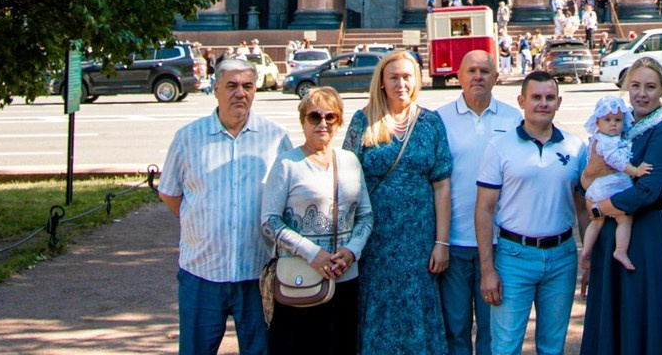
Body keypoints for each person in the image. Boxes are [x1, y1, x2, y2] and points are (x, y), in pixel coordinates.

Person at [158, 57, 292, 355]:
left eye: (247, 86)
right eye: (231, 86)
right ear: (215, 88)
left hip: (256, 274)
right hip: (201, 273)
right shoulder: (188, 137)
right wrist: (200, 221)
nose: (240, 93)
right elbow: (169, 192)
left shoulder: (275, 138)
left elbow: (287, 199)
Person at [344, 49, 453, 355]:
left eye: (407, 77)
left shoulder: (431, 123)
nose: (400, 84)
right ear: (381, 82)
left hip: (418, 240)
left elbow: (442, 185)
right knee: (376, 307)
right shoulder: (363, 120)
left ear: (416, 81)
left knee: (417, 306)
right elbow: (346, 178)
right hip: (374, 239)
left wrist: (441, 243)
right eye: (393, 77)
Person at [475, 71, 587, 355]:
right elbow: (485, 209)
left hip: (562, 256)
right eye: (536, 97)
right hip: (514, 257)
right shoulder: (500, 147)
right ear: (521, 100)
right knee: (506, 346)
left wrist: (589, 257)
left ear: (559, 102)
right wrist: (487, 269)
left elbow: (583, 208)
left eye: (549, 98)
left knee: (552, 346)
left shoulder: (575, 147)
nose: (543, 103)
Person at [579, 55, 662, 355]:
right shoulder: (616, 126)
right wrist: (590, 180)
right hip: (611, 233)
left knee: (640, 316)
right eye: (635, 85)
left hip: (645, 234)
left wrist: (598, 209)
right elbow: (586, 179)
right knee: (611, 316)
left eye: (650, 86)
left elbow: (646, 191)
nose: (641, 93)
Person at [261, 87, 373, 351]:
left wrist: (351, 251)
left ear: (339, 121)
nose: (323, 123)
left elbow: (366, 215)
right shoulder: (287, 164)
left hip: (344, 278)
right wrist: (312, 254)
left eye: (330, 117)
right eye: (314, 117)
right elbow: (270, 221)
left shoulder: (350, 161)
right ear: (303, 121)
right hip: (299, 279)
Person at [437, 50, 511, 355]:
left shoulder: (513, 118)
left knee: (494, 330)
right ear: (458, 76)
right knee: (456, 328)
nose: (478, 76)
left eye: (484, 71)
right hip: (454, 241)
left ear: (496, 76)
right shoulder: (438, 119)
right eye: (471, 71)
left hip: (499, 242)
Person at [579, 94, 653, 271]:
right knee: (624, 218)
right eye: (608, 120)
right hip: (610, 186)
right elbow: (616, 161)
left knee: (596, 221)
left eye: (618, 120)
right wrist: (635, 171)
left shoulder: (603, 139)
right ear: (597, 122)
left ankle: (586, 251)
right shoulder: (607, 142)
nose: (613, 124)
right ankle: (620, 250)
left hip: (598, 187)